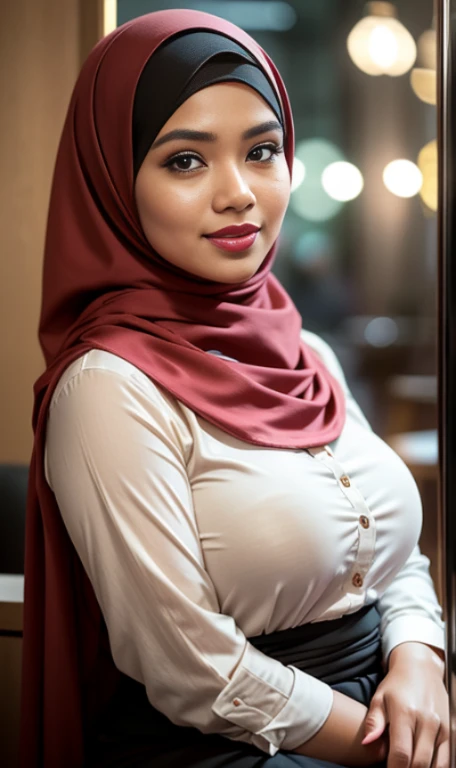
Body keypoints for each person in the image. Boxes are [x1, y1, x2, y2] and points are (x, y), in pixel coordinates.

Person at [19, 9, 448, 768]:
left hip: (389, 710)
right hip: (237, 749)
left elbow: (394, 555)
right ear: (115, 182)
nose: (239, 194)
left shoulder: (307, 351)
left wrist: (420, 659)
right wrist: (394, 749)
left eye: (261, 150)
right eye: (185, 161)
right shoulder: (108, 388)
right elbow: (188, 668)